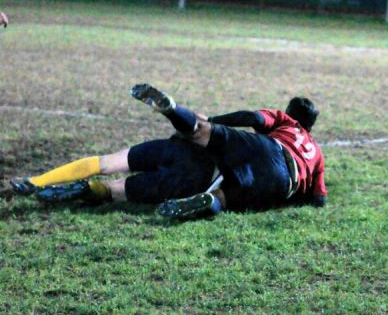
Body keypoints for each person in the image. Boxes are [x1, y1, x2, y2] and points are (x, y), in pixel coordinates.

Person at [11, 84, 327, 218]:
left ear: (290, 112)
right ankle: (208, 205)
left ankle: (38, 181)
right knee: (116, 191)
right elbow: (319, 198)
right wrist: (294, 194)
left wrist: (212, 122)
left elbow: (253, 118)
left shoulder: (283, 122)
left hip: (186, 149)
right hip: (277, 181)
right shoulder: (316, 152)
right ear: (311, 126)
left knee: (108, 162)